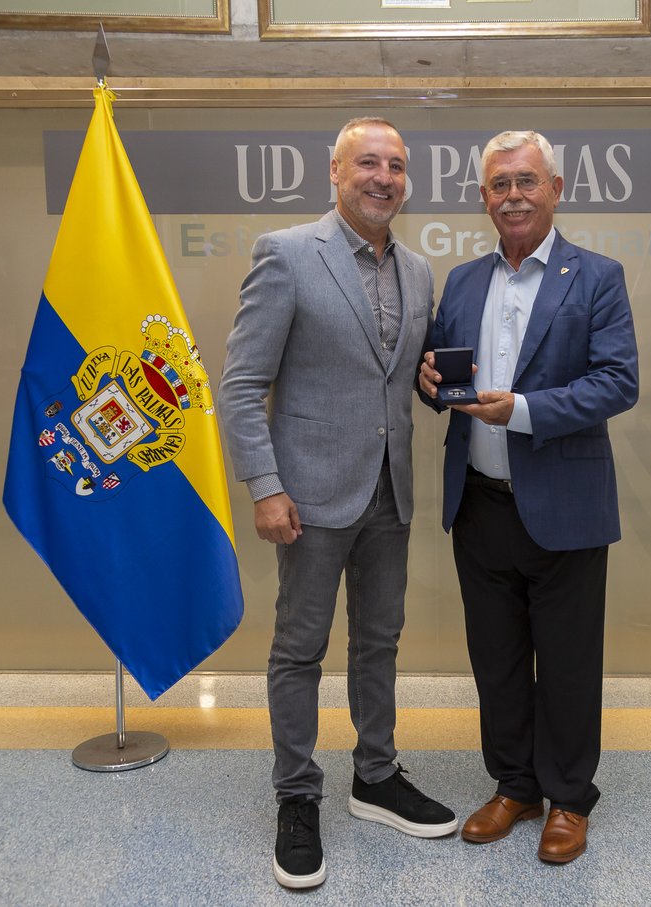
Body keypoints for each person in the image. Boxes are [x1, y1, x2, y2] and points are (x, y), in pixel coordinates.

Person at [220, 116, 456, 891]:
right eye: (367, 162)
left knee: (379, 641)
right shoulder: (287, 255)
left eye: (395, 164)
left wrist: (432, 385)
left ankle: (376, 774)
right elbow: (243, 385)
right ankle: (296, 795)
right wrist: (265, 486)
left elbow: (399, 375)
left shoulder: (419, 272)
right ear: (335, 170)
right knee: (299, 649)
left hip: (390, 491)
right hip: (308, 498)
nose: (382, 176)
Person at [419, 130, 638, 865]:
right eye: (498, 184)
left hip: (566, 507)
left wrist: (521, 410)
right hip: (479, 504)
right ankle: (515, 784)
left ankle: (569, 797)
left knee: (569, 661)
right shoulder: (463, 282)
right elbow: (449, 380)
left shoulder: (597, 277)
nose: (513, 195)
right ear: (482, 197)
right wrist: (431, 387)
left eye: (526, 181)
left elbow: (618, 382)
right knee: (498, 659)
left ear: (556, 187)